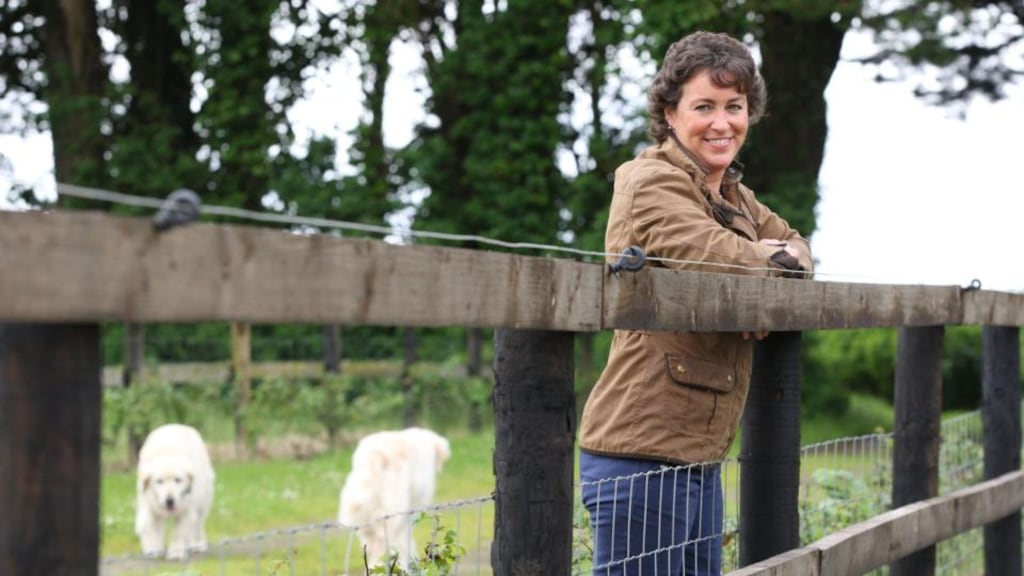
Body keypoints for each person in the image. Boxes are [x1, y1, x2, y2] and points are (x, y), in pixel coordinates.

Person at [578, 30, 813, 576]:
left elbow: (799, 248)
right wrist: (764, 270)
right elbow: (717, 257)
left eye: (735, 107)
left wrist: (766, 283)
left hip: (699, 454)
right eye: (703, 106)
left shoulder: (733, 193)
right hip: (640, 451)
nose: (721, 123)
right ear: (669, 111)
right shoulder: (650, 181)